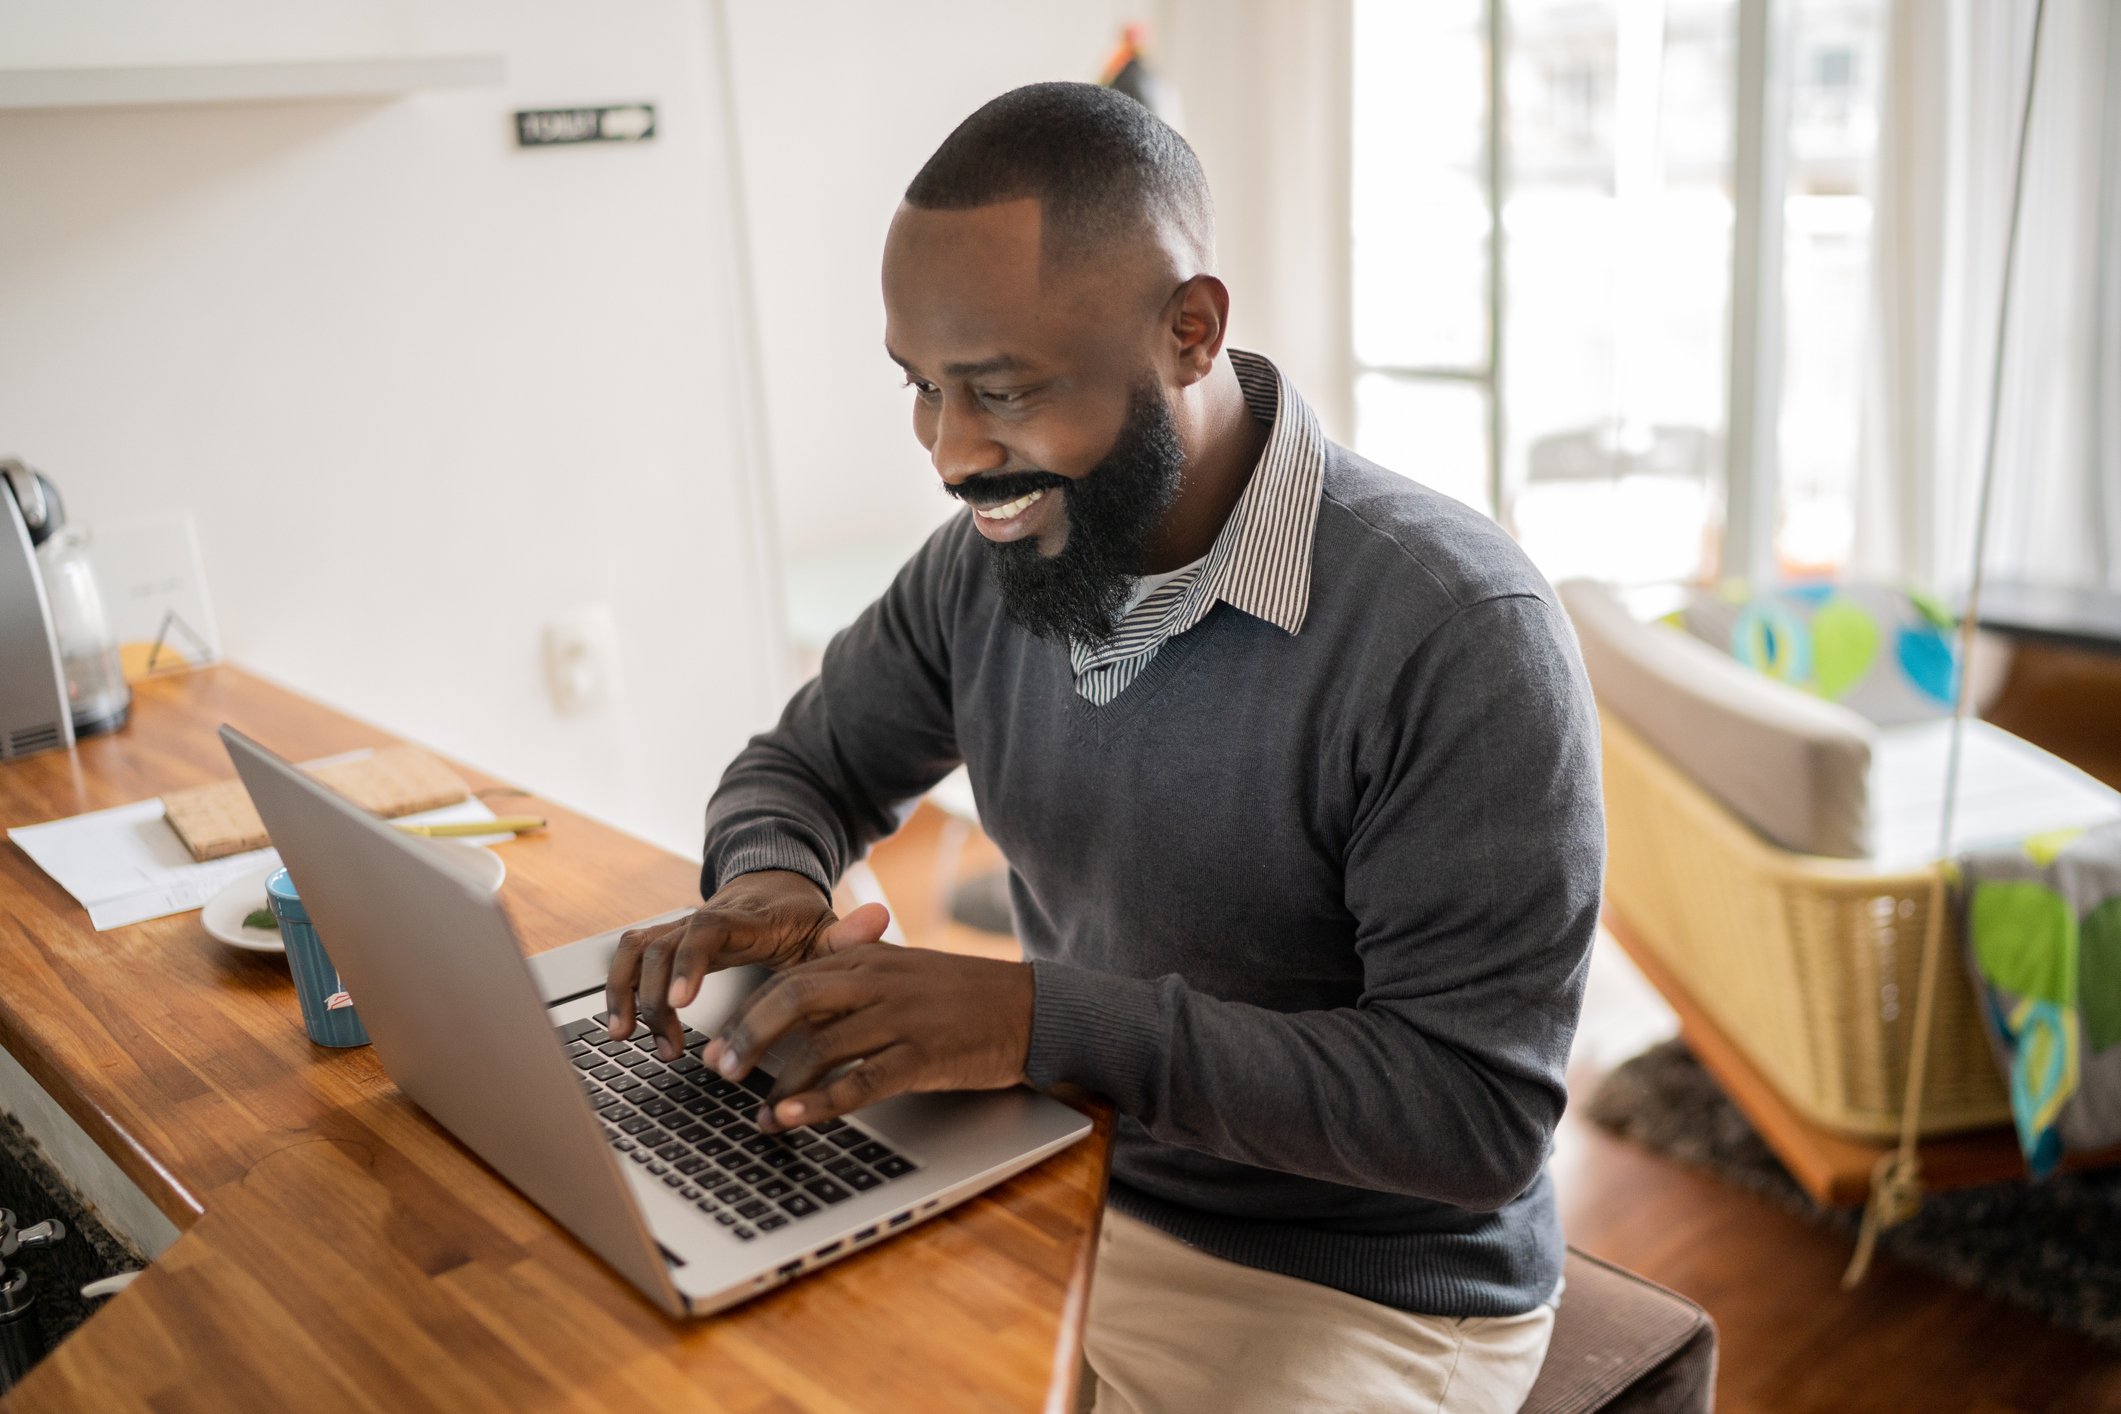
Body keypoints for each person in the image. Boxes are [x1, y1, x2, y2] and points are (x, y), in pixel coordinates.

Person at [606, 81, 1602, 1413]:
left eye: (1003, 390)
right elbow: (804, 769)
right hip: (1066, 1167)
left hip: (1360, 1281)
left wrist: (1035, 1023)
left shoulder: (1455, 632)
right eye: (923, 390)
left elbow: (1469, 1110)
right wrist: (771, 878)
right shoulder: (987, 561)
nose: (953, 455)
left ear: (1188, 331)